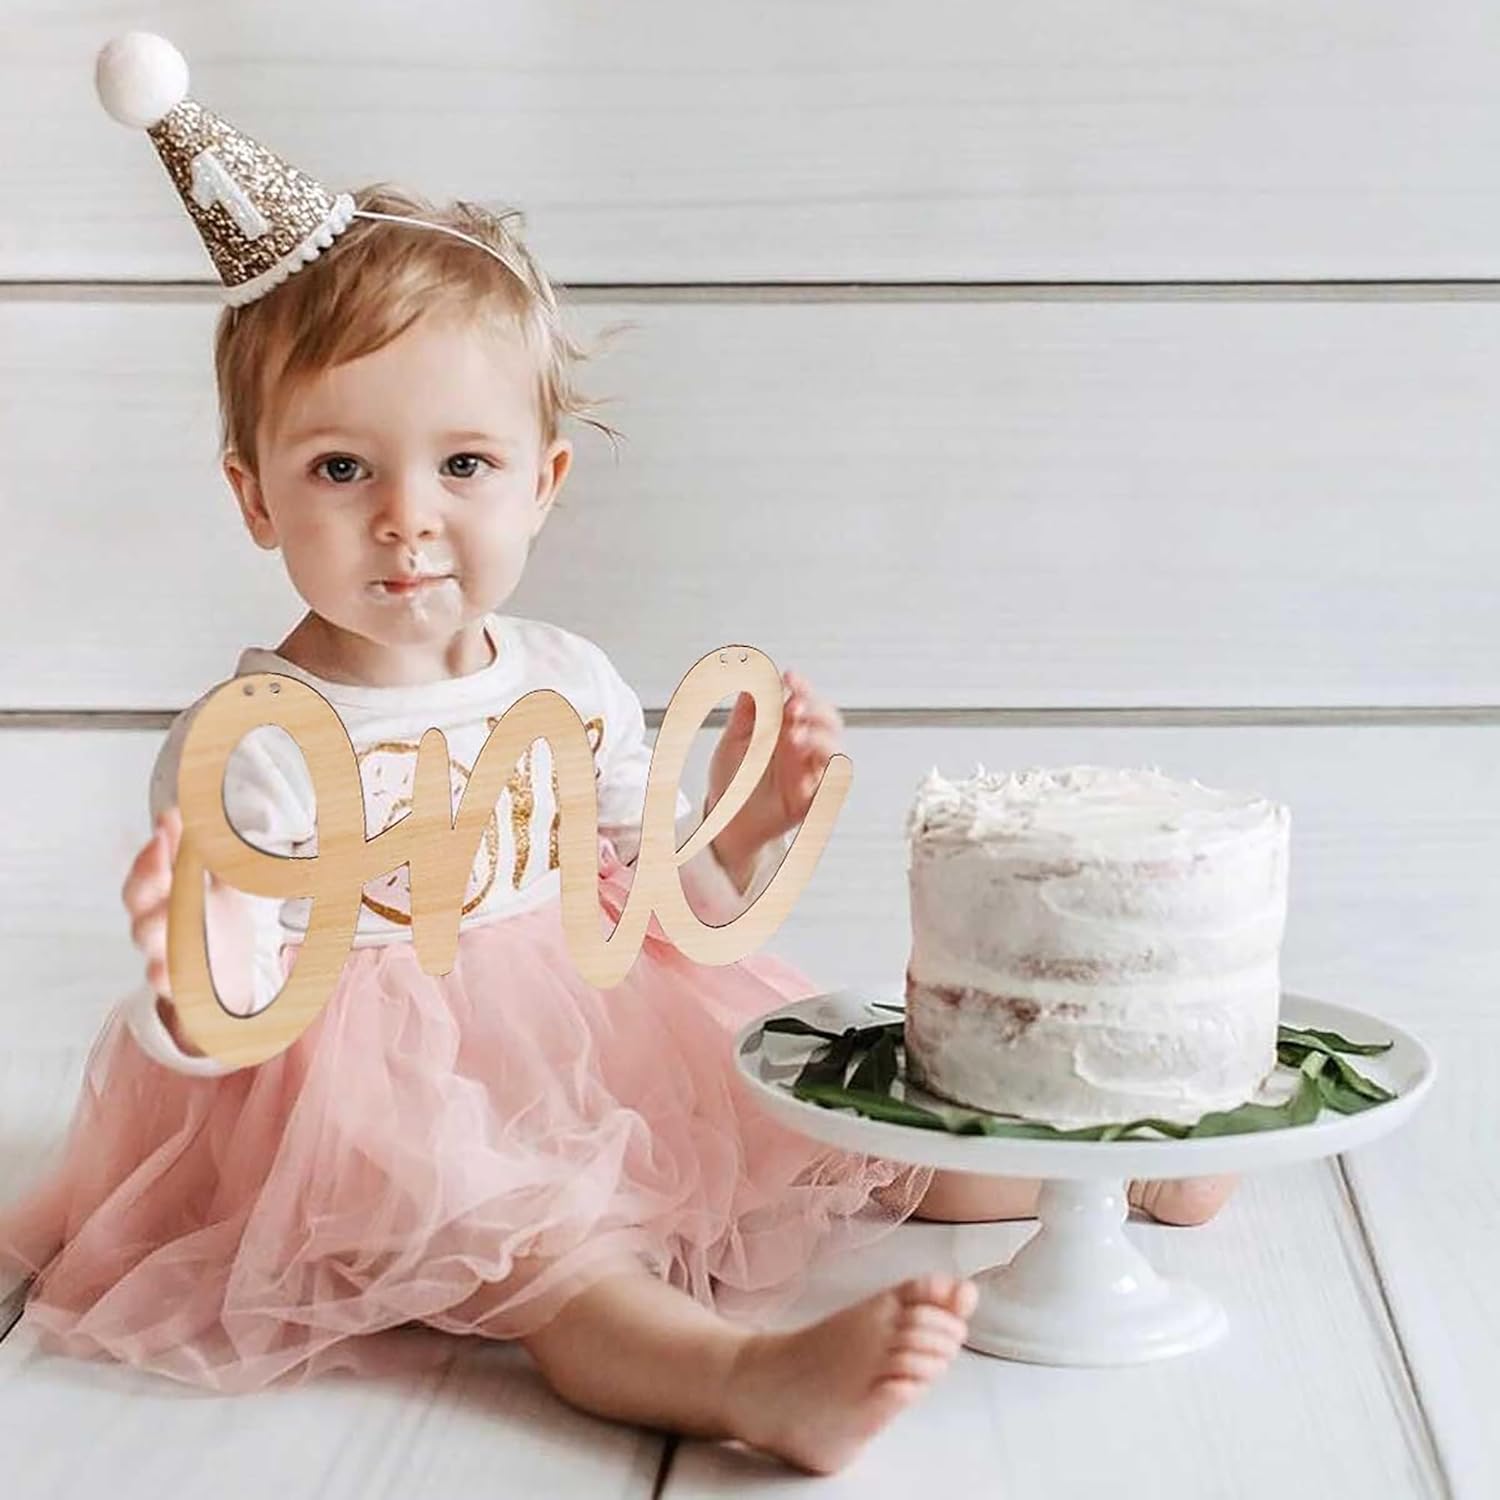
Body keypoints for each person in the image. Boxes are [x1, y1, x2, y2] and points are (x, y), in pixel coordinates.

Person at [0, 37, 1234, 1477]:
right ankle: (739, 1380)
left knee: (816, 1135)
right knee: (540, 1243)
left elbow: (664, 900)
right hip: (375, 1098)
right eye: (343, 468)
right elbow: (232, 1031)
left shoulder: (567, 680)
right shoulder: (260, 743)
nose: (408, 517)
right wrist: (201, 959)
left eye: (463, 465)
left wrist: (743, 827)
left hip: (599, 1025)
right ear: (254, 496)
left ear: (544, 483)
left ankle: (1100, 1183)